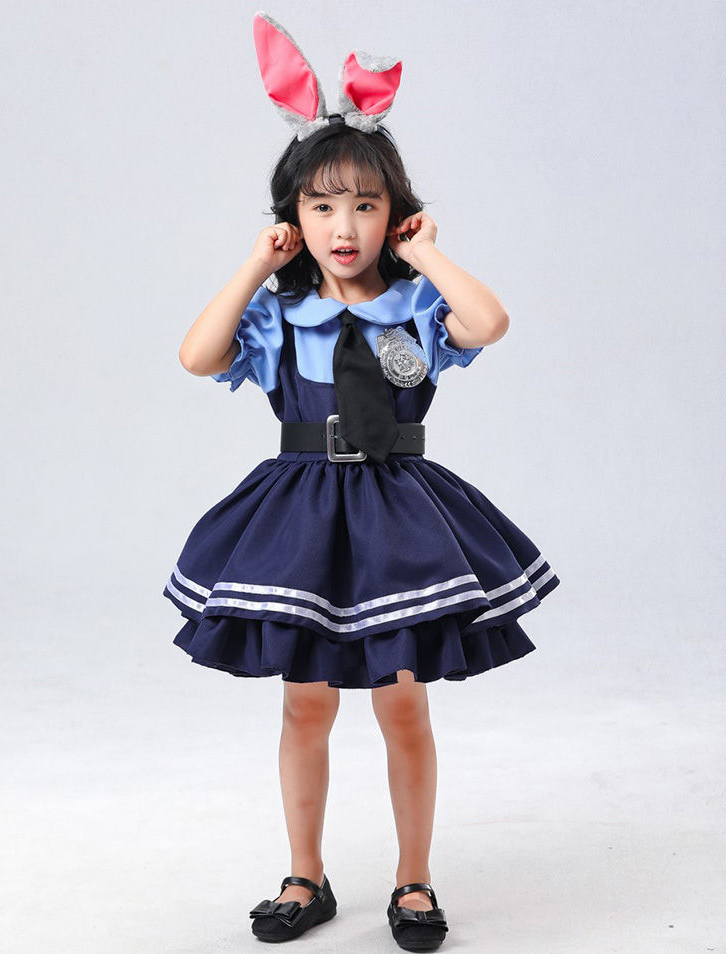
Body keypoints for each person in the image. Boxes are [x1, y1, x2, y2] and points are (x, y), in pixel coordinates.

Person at [162, 11, 561, 951]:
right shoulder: (278, 314)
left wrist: (425, 256)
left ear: (396, 213)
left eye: (368, 206)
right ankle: (305, 874)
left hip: (395, 515)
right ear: (293, 220)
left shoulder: (416, 306)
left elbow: (489, 323)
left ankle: (414, 880)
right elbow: (196, 355)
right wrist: (253, 267)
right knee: (305, 700)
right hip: (304, 515)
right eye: (322, 208)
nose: (345, 228)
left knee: (403, 699)